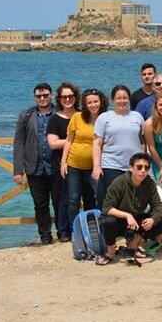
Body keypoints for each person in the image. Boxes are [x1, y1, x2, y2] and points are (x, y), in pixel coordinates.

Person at [97, 152, 162, 265]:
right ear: (131, 168)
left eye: (146, 167)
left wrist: (153, 220)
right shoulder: (119, 182)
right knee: (108, 221)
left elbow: (158, 207)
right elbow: (106, 208)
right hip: (118, 220)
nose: (143, 171)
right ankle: (110, 252)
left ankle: (133, 245)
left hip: (136, 220)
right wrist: (127, 215)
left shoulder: (150, 184)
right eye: (139, 167)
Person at [13, 82, 59, 244]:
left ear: (51, 96)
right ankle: (45, 236)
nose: (42, 98)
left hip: (57, 166)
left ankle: (63, 233)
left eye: (45, 95)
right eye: (39, 96)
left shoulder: (59, 113)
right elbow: (19, 143)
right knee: (40, 205)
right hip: (34, 167)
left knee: (60, 202)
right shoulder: (26, 116)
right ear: (35, 98)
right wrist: (18, 170)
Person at [93, 85, 145, 212]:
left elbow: (142, 141)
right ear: (112, 100)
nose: (122, 101)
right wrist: (96, 166)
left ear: (129, 99)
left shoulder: (137, 116)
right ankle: (112, 228)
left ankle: (130, 228)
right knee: (117, 198)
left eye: (125, 98)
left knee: (134, 199)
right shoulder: (104, 117)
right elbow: (97, 143)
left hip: (133, 166)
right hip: (111, 164)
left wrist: (143, 162)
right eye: (118, 98)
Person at [61, 88, 106, 227]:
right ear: (85, 104)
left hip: (95, 166)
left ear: (101, 102)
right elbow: (69, 140)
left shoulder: (105, 118)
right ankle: (76, 229)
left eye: (95, 101)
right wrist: (63, 162)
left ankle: (99, 226)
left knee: (100, 196)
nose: (93, 105)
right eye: (89, 102)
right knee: (73, 199)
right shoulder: (77, 117)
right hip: (74, 165)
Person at [45, 82, 79, 242]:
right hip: (61, 163)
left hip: (84, 163)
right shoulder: (55, 119)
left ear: (75, 97)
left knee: (85, 197)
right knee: (64, 198)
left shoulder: (81, 115)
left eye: (70, 96)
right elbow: (52, 143)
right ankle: (64, 231)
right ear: (59, 99)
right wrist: (74, 141)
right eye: (64, 97)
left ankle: (84, 227)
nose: (67, 99)